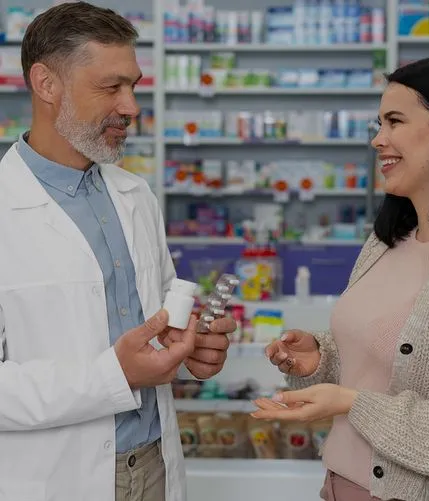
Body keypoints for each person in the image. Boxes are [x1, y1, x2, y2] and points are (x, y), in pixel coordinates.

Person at [0, 2, 236, 501]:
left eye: (133, 85)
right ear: (46, 84)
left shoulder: (135, 195)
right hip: (53, 479)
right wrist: (114, 374)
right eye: (111, 88)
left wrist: (192, 347)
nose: (131, 107)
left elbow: (164, 316)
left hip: (153, 463)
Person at [252, 55, 429, 501]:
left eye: (394, 121)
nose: (377, 139)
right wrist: (320, 359)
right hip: (339, 486)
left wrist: (351, 404)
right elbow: (382, 359)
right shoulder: (387, 240)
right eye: (378, 123)